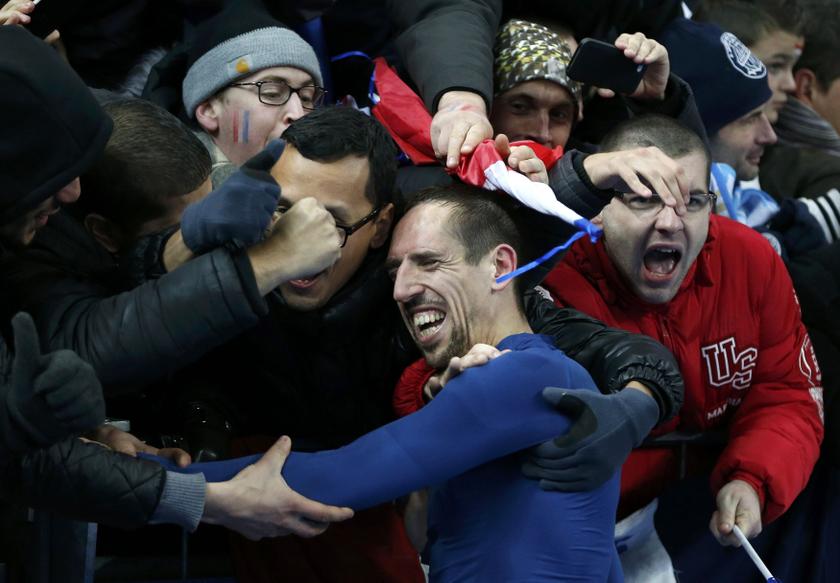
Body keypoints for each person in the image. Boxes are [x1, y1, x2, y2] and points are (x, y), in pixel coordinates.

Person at [146, 184, 624, 583]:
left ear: (499, 267)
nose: (401, 290)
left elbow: (337, 479)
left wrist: (130, 482)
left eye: (430, 262)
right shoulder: (520, 381)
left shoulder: (527, 376)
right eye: (395, 271)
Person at [0, 24, 353, 540]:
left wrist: (178, 248)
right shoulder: (35, 239)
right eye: (272, 91)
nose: (71, 192)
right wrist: (261, 268)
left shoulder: (53, 151)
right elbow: (81, 338)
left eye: (308, 94)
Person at [538, 114, 823, 581]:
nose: (671, 221)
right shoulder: (550, 275)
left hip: (702, 520)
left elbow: (788, 392)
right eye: (646, 199)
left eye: (692, 201)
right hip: (576, 531)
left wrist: (753, 480)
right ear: (600, 208)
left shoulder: (751, 261)